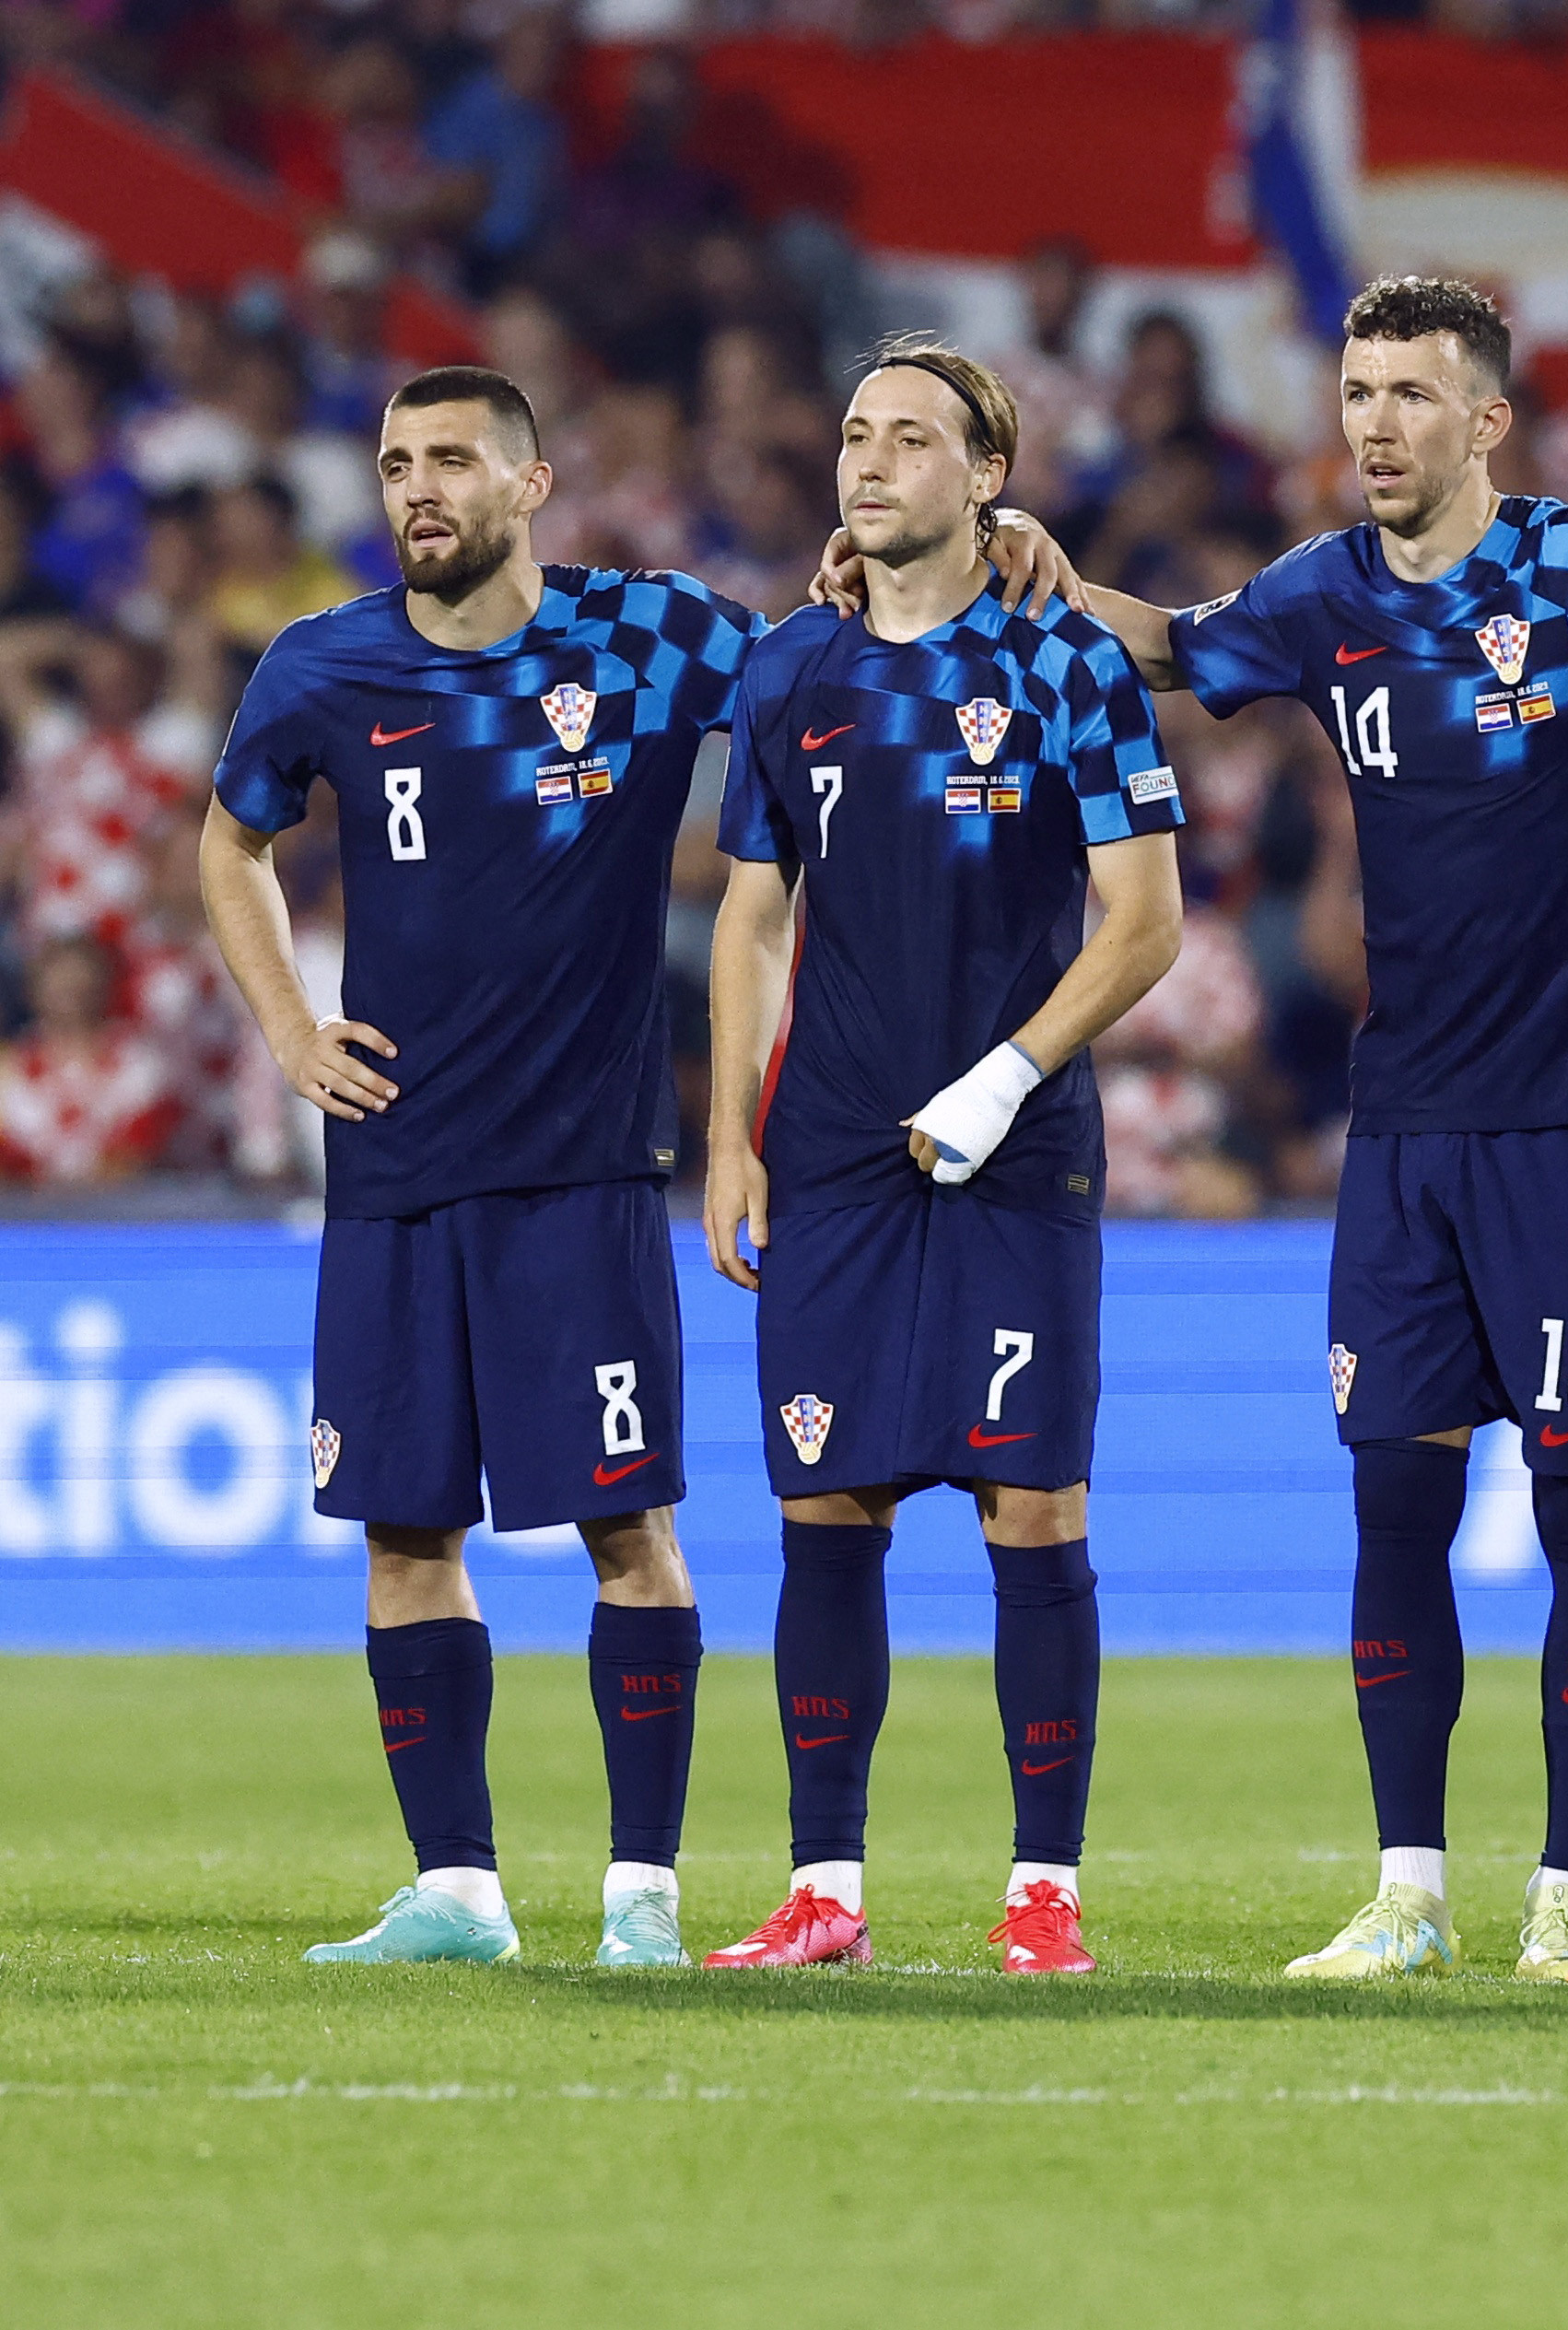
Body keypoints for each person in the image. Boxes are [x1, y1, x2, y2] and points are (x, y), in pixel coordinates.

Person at [914, 275, 1568, 1978]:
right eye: (1356, 392)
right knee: (1393, 1510)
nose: (1375, 424)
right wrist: (1009, 553)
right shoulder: (1323, 594)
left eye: (1413, 394)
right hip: (1404, 1130)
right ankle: (1408, 1887)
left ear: (1487, 422)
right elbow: (1179, 647)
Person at [200, 366, 747, 1967]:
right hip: (391, 1163)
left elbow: (823, 674)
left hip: (579, 1170)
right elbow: (227, 840)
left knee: (625, 1525)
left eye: (451, 459)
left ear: (532, 482)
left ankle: (641, 1892)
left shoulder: (648, 637)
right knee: (402, 1527)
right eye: (394, 464)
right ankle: (459, 1890)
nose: (416, 488)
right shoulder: (324, 661)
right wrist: (292, 1031)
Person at [696, 338, 1186, 1976]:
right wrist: (731, 1135)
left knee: (1030, 1510)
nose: (869, 461)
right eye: (853, 433)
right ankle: (821, 1889)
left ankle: (1043, 1895)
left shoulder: (1064, 663)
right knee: (825, 1503)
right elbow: (752, 914)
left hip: (1012, 1144)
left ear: (988, 476)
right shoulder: (790, 672)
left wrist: (1008, 1072)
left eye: (913, 438)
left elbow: (1147, 918)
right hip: (832, 1147)